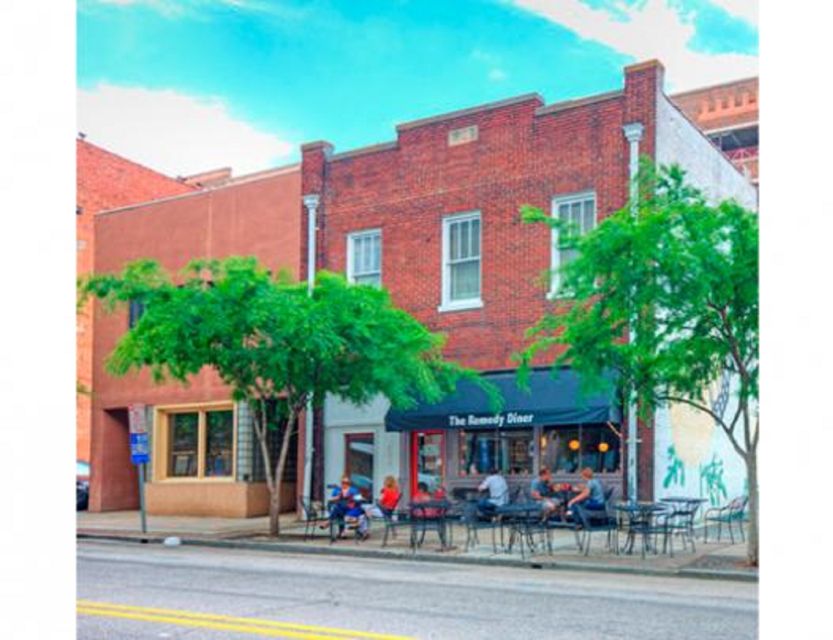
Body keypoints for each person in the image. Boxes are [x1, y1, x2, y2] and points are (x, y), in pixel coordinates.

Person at [328, 475, 368, 539]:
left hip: (350, 509)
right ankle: (343, 531)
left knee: (362, 512)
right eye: (343, 482)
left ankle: (360, 531)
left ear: (349, 483)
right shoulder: (337, 490)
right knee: (336, 509)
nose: (345, 484)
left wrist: (359, 499)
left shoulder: (353, 490)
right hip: (340, 510)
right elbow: (331, 500)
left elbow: (359, 499)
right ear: (341, 482)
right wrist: (337, 498)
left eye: (347, 483)